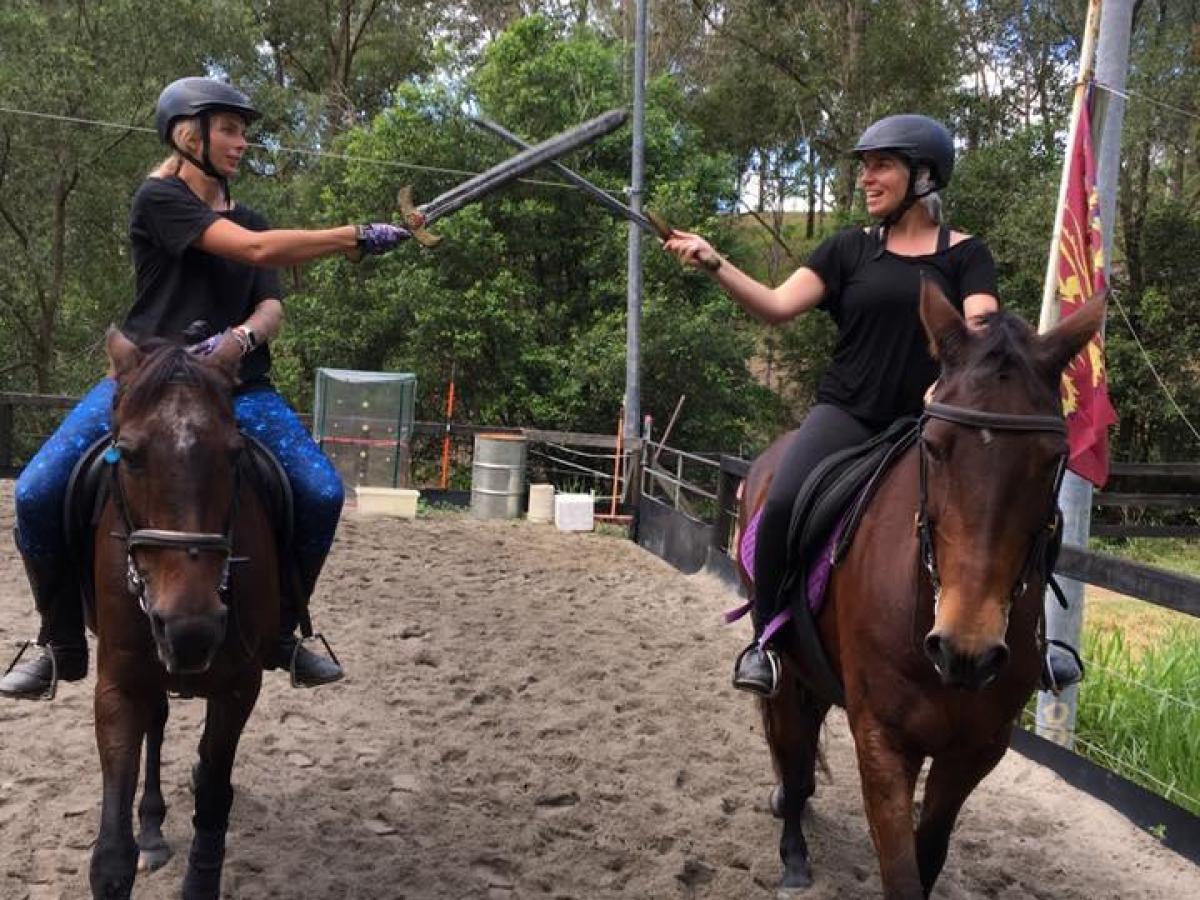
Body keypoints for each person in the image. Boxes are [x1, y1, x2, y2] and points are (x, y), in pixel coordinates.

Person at [0, 76, 421, 700]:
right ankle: (58, 641)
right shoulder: (159, 200)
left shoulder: (252, 216)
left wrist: (239, 341)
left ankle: (284, 631)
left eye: (243, 131)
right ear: (186, 134)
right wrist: (355, 237)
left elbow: (271, 303)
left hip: (238, 389)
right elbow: (253, 252)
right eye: (229, 129)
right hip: (146, 387)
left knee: (321, 491)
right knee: (36, 491)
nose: (242, 142)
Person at [665, 113, 1082, 697]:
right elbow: (777, 306)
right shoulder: (847, 251)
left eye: (881, 165)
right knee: (781, 501)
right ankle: (766, 642)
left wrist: (953, 379)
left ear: (924, 175)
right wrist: (715, 262)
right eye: (864, 166)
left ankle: (1037, 640)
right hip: (849, 414)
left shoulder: (967, 255)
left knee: (1030, 510)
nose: (866, 177)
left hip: (931, 423)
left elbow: (980, 326)